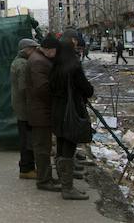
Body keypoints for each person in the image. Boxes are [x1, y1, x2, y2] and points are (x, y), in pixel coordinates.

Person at [50, 40, 95, 200]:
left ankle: (65, 184)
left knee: (62, 147)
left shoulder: (55, 68)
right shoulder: (74, 68)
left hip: (57, 113)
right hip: (71, 113)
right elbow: (87, 90)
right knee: (69, 147)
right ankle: (68, 188)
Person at [25, 35, 61, 192]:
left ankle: (46, 178)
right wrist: (56, 98)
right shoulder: (38, 62)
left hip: (40, 110)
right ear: (49, 49)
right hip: (40, 112)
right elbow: (42, 89)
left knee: (43, 147)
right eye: (55, 51)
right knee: (42, 148)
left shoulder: (39, 59)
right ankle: (44, 180)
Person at [11, 38, 39, 179]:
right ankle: (26, 168)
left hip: (22, 107)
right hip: (25, 108)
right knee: (27, 140)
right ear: (27, 50)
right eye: (33, 49)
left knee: (27, 138)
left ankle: (27, 166)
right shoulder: (22, 64)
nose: (35, 52)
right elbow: (24, 88)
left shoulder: (20, 62)